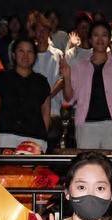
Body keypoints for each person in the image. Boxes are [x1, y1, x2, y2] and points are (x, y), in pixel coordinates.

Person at [61, 21, 112, 150]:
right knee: (86, 162)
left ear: (109, 39)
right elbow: (69, 98)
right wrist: (67, 77)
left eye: (104, 35)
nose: (100, 39)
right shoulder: (79, 67)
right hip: (86, 127)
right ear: (90, 39)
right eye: (96, 35)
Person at [0, 38, 51, 151]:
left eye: (30, 51)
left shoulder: (42, 82)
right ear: (13, 55)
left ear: (35, 56)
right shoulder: (2, 78)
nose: (25, 55)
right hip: (6, 136)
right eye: (21, 51)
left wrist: (43, 136)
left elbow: (46, 111)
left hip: (35, 138)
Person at [31, 14, 64, 150]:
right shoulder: (30, 55)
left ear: (49, 32)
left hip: (53, 111)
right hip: (32, 111)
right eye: (38, 30)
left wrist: (48, 95)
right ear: (34, 33)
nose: (41, 33)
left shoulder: (58, 54)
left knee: (52, 149)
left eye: (44, 30)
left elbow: (62, 78)